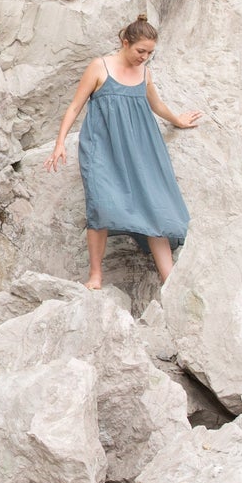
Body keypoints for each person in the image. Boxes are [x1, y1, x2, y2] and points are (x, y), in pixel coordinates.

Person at [44, 16, 202, 290]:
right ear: (125, 42)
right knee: (101, 206)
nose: (145, 57)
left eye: (150, 53)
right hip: (102, 149)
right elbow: (74, 107)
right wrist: (59, 144)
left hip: (141, 150)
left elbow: (156, 104)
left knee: (155, 207)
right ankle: (95, 275)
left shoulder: (144, 74)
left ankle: (171, 282)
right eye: (141, 51)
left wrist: (177, 120)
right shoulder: (99, 67)